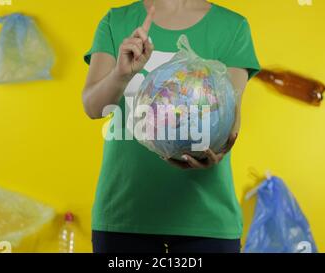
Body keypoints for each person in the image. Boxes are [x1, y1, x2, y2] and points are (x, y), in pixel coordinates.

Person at [82, 0, 260, 253]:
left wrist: (218, 151)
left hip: (206, 217)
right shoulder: (116, 20)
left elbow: (229, 120)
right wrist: (121, 73)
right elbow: (93, 108)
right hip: (125, 214)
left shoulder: (233, 26)